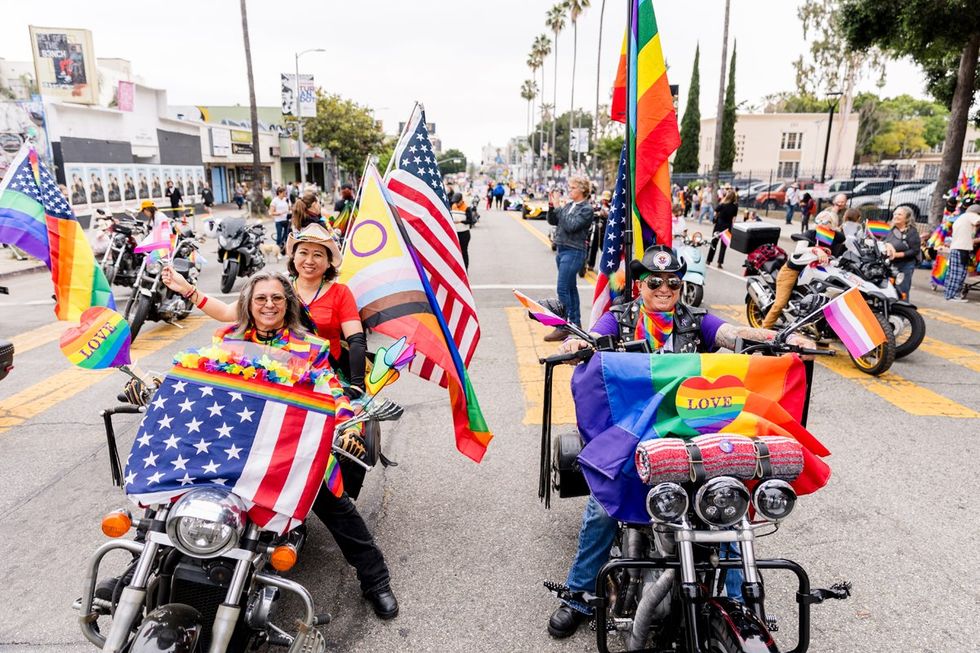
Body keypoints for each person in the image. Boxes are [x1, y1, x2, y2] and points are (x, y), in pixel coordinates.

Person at [547, 245, 815, 639]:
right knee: (604, 506)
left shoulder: (696, 321)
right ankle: (580, 593)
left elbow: (733, 334)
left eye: (673, 282)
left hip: (693, 431)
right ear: (640, 285)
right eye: (655, 281)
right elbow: (590, 339)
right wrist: (575, 346)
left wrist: (778, 338)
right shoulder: (618, 319)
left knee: (730, 501)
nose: (664, 289)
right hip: (635, 431)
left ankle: (742, 602)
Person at [206, 270, 397, 619]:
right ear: (248, 303)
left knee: (335, 504)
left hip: (294, 449)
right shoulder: (226, 340)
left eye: (277, 298)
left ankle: (376, 581)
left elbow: (332, 391)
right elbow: (202, 383)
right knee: (182, 496)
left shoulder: (309, 347)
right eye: (261, 298)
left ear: (287, 304)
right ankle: (139, 566)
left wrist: (347, 427)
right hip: (238, 446)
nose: (269, 305)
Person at [762, 210, 847, 329]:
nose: (821, 223)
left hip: (817, 272)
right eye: (819, 220)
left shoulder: (837, 237)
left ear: (833, 223)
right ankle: (764, 329)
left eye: (826, 221)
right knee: (780, 303)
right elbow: (799, 250)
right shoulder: (810, 234)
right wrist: (816, 250)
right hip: (793, 271)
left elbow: (846, 247)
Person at [544, 175, 594, 341]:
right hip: (562, 248)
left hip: (574, 251)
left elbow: (572, 225)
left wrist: (559, 206)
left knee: (563, 288)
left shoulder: (586, 209)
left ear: (582, 189)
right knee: (571, 289)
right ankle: (575, 323)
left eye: (572, 187)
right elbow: (554, 220)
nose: (569, 190)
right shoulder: (570, 205)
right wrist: (552, 205)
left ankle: (563, 326)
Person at [882, 206, 921, 301]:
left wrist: (896, 255)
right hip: (891, 265)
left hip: (905, 266)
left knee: (902, 290)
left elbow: (914, 250)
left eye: (899, 214)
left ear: (907, 218)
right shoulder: (891, 230)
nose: (895, 216)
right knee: (889, 290)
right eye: (895, 214)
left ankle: (903, 311)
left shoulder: (912, 232)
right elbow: (884, 242)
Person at [945, 204, 980, 303]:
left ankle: (951, 294)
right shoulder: (971, 216)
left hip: (957, 248)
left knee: (955, 272)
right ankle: (951, 296)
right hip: (961, 249)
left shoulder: (961, 218)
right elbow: (978, 220)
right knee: (958, 274)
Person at [706, 189, 737, 268]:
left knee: (714, 244)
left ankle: (709, 260)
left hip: (718, 226)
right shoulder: (734, 207)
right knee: (723, 246)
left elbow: (715, 211)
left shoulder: (722, 205)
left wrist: (716, 217)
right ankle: (720, 263)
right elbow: (734, 219)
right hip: (727, 228)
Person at [450, 192, 472, 269]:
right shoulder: (453, 206)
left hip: (464, 234)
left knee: (463, 251)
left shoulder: (467, 208)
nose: (456, 204)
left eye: (458, 202)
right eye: (455, 202)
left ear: (461, 200)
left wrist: (460, 221)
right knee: (456, 252)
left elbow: (470, 221)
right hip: (455, 233)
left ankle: (465, 269)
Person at [270, 187, 291, 252]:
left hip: (286, 220)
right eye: (284, 193)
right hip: (278, 220)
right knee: (279, 236)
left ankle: (284, 249)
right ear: (279, 193)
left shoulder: (286, 199)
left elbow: (290, 208)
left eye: (286, 193)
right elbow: (271, 212)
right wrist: (279, 213)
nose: (285, 194)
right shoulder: (274, 201)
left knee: (286, 235)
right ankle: (277, 249)